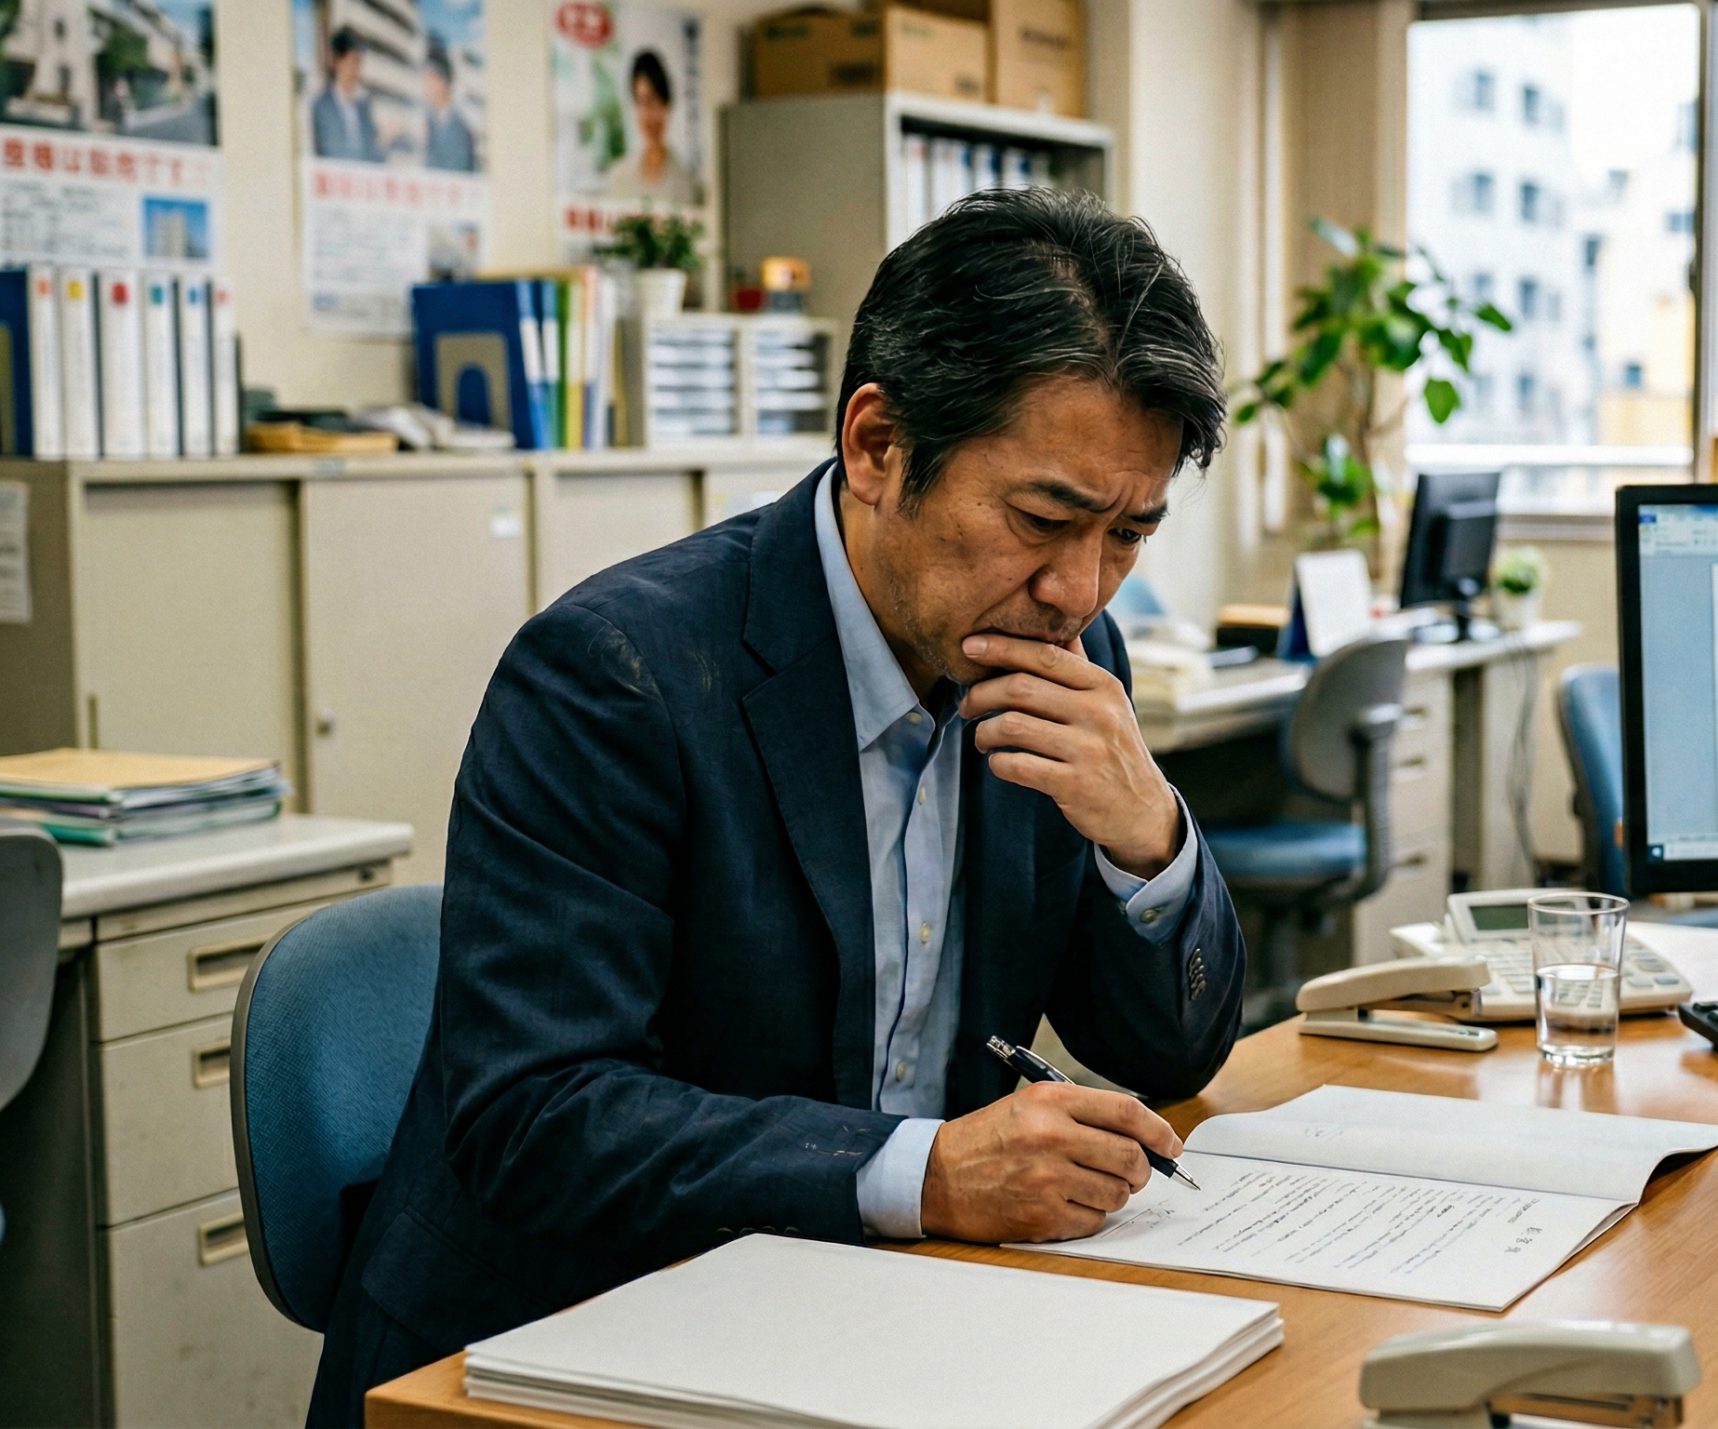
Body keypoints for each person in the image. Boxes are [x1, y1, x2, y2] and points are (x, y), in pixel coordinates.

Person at [305, 188, 1247, 1426]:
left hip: (865, 1320)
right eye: (1042, 518)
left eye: (1129, 533)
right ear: (875, 446)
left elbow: (1171, 1054)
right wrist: (927, 1170)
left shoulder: (1068, 656)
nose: (1078, 586)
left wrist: (1150, 840)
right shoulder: (617, 673)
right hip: (564, 1348)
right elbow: (538, 1114)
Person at [605, 49, 698, 204]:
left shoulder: (687, 182)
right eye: (643, 102)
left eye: (657, 101)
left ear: (667, 106)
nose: (649, 115)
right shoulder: (619, 177)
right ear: (634, 106)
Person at [309, 27, 381, 163]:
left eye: (360, 61)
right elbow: (329, 153)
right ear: (337, 60)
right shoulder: (321, 105)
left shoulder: (364, 107)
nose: (357, 68)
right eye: (353, 60)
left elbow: (373, 156)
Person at [419, 44, 476, 173]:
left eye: (430, 79)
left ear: (444, 82)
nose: (426, 86)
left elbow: (456, 173)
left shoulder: (459, 128)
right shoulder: (430, 119)